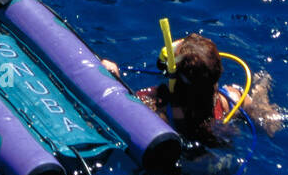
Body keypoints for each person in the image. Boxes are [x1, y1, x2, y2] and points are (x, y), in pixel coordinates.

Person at [102, 32, 282, 141]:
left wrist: (111, 79)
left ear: (174, 75)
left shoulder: (156, 106)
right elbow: (271, 124)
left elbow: (113, 111)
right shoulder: (233, 101)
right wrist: (261, 91)